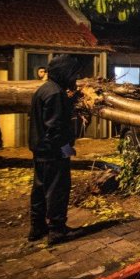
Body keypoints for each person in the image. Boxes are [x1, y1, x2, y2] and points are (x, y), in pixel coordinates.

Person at [28, 54, 83, 245]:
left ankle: (37, 227)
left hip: (40, 150)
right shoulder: (55, 94)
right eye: (73, 74)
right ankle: (57, 231)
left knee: (40, 190)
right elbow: (55, 129)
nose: (75, 78)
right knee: (57, 191)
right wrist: (66, 148)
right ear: (64, 73)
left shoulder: (43, 90)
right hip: (53, 153)